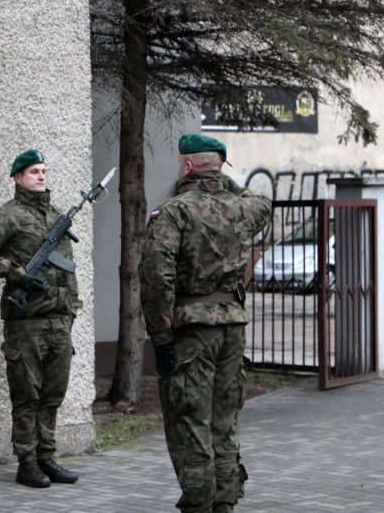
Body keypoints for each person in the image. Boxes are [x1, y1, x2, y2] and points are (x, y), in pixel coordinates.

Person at [140, 134, 271, 513]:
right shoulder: (244, 209)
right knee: (224, 424)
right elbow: (260, 200)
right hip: (232, 327)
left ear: (186, 166)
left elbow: (156, 278)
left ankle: (198, 505)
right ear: (218, 167)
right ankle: (225, 505)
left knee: (191, 423)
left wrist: (161, 338)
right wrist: (220, 180)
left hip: (191, 332)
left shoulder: (174, 212)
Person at [0, 148, 82, 488]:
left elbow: (68, 272)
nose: (41, 176)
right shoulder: (8, 215)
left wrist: (72, 308)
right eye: (34, 171)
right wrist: (14, 273)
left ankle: (47, 456)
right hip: (26, 322)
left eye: (44, 170)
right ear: (18, 178)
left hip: (59, 321)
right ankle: (27, 462)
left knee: (52, 394)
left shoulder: (58, 216)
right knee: (27, 395)